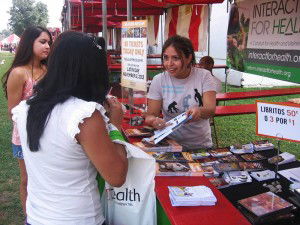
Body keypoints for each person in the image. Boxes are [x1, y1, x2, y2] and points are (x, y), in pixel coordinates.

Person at [11, 31, 128, 225]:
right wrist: (115, 125)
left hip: (37, 217)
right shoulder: (84, 115)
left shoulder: (25, 109)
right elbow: (116, 176)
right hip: (78, 218)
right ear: (91, 70)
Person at [1, 26, 52, 217]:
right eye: (42, 41)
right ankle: (29, 217)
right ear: (28, 43)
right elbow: (12, 112)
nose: (47, 46)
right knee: (27, 179)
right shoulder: (19, 73)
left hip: (49, 133)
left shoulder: (48, 70)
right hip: (25, 136)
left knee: (46, 178)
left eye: (49, 42)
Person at [145, 35, 216, 150]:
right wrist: (154, 121)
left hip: (200, 145)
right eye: (166, 58)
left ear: (188, 58)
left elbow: (210, 110)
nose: (169, 63)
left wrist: (199, 111)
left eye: (176, 58)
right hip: (171, 144)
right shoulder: (159, 80)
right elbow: (150, 115)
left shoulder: (204, 76)